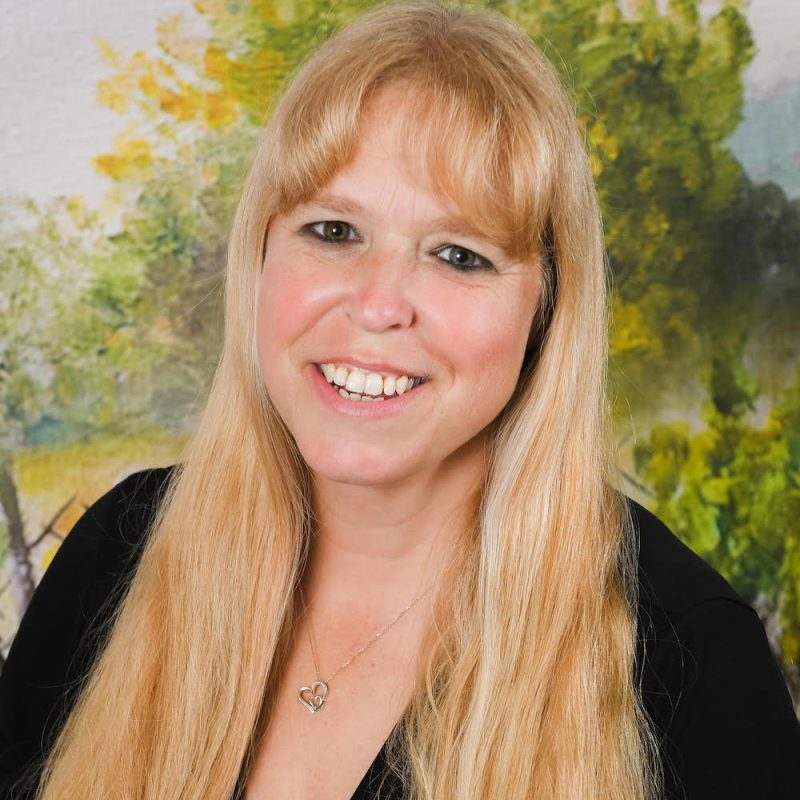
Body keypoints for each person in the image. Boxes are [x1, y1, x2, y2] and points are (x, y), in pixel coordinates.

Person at [1, 1, 799, 798]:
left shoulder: (688, 663)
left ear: (544, 313)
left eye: (458, 254)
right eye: (334, 231)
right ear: (263, 251)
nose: (379, 304)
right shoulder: (120, 555)